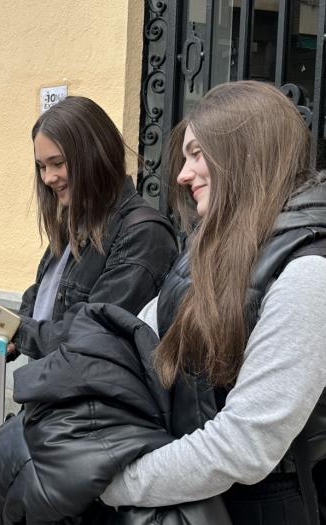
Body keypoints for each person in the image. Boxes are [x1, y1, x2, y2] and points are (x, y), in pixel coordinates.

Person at [98, 81, 326, 523]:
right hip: (202, 502)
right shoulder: (215, 251)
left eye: (197, 154)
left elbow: (246, 446)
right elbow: (141, 335)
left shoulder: (309, 274)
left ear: (244, 153)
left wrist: (115, 484)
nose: (183, 175)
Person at [0, 96, 178, 360]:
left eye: (58, 163)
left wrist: (18, 332)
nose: (48, 178)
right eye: (42, 166)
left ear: (96, 153)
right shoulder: (74, 223)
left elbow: (95, 334)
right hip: (50, 395)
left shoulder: (143, 233)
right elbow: (40, 304)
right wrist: (3, 337)